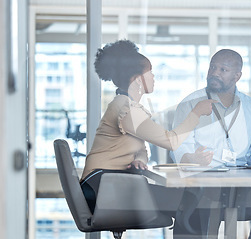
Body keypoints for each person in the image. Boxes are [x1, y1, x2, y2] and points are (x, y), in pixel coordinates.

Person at [80, 40, 215, 216]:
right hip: (101, 188)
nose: (154, 77)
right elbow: (170, 141)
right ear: (136, 79)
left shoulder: (127, 106)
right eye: (150, 72)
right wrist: (196, 113)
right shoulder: (126, 109)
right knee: (191, 201)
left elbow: (142, 148)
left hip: (110, 184)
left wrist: (140, 159)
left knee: (191, 200)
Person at [171, 49, 251, 238]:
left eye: (223, 69)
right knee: (199, 208)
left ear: (237, 76)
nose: (214, 73)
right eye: (212, 67)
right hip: (202, 182)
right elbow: (178, 147)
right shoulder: (190, 104)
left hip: (241, 186)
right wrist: (192, 159)